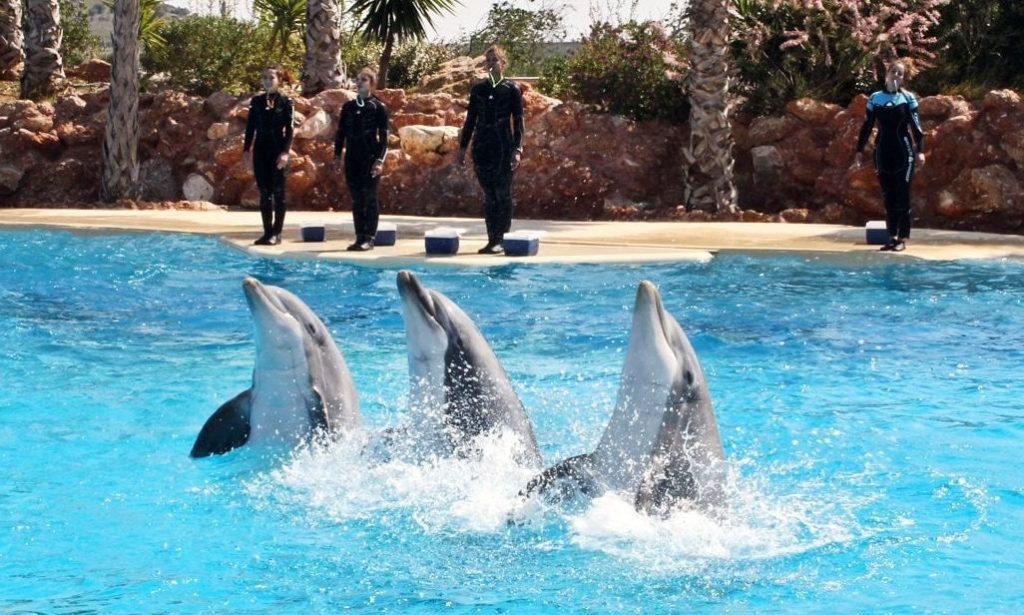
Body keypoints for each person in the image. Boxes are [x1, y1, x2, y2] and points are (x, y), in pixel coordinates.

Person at [457, 45, 525, 255]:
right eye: (488, 60)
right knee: (489, 195)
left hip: (503, 147)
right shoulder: (478, 90)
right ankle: (491, 239)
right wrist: (462, 147)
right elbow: (470, 120)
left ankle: (501, 239)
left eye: (495, 60)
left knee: (502, 193)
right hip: (482, 146)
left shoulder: (512, 89)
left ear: (503, 63)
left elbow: (519, 122)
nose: (491, 64)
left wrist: (517, 149)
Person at [853, 59, 926, 252]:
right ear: (886, 74)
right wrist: (859, 150)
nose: (896, 75)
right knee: (888, 197)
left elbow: (916, 128)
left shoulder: (908, 98)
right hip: (882, 153)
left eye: (900, 74)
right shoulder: (875, 98)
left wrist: (920, 151)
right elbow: (867, 125)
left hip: (904, 153)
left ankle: (902, 238)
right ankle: (892, 237)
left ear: (903, 79)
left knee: (902, 196)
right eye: (893, 71)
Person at [333, 67, 390, 251]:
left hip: (370, 158)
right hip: (352, 158)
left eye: (364, 79)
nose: (359, 82)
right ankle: (359, 237)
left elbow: (384, 139)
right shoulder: (348, 107)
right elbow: (340, 134)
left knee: (369, 197)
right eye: (357, 79)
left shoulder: (379, 107)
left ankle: (369, 238)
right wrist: (337, 156)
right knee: (357, 199)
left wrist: (379, 161)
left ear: (372, 84)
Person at [243, 66, 294, 246]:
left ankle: (277, 233)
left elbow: (290, 130)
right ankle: (267, 232)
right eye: (264, 77)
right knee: (264, 193)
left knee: (278, 192)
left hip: (277, 149)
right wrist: (246, 150)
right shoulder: (256, 101)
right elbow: (250, 127)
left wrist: (285, 152)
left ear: (279, 80)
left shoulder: (286, 101)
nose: (267, 80)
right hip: (260, 150)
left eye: (271, 77)